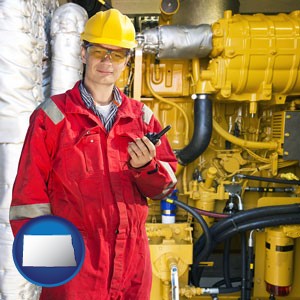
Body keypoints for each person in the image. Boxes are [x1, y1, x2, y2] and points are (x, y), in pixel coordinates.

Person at [9, 8, 177, 300]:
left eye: (117, 54)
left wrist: (147, 166)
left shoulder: (143, 118)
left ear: (127, 62)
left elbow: (165, 186)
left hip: (133, 267)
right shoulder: (52, 118)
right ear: (84, 53)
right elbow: (29, 199)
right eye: (99, 51)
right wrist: (52, 267)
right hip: (76, 268)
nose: (107, 62)